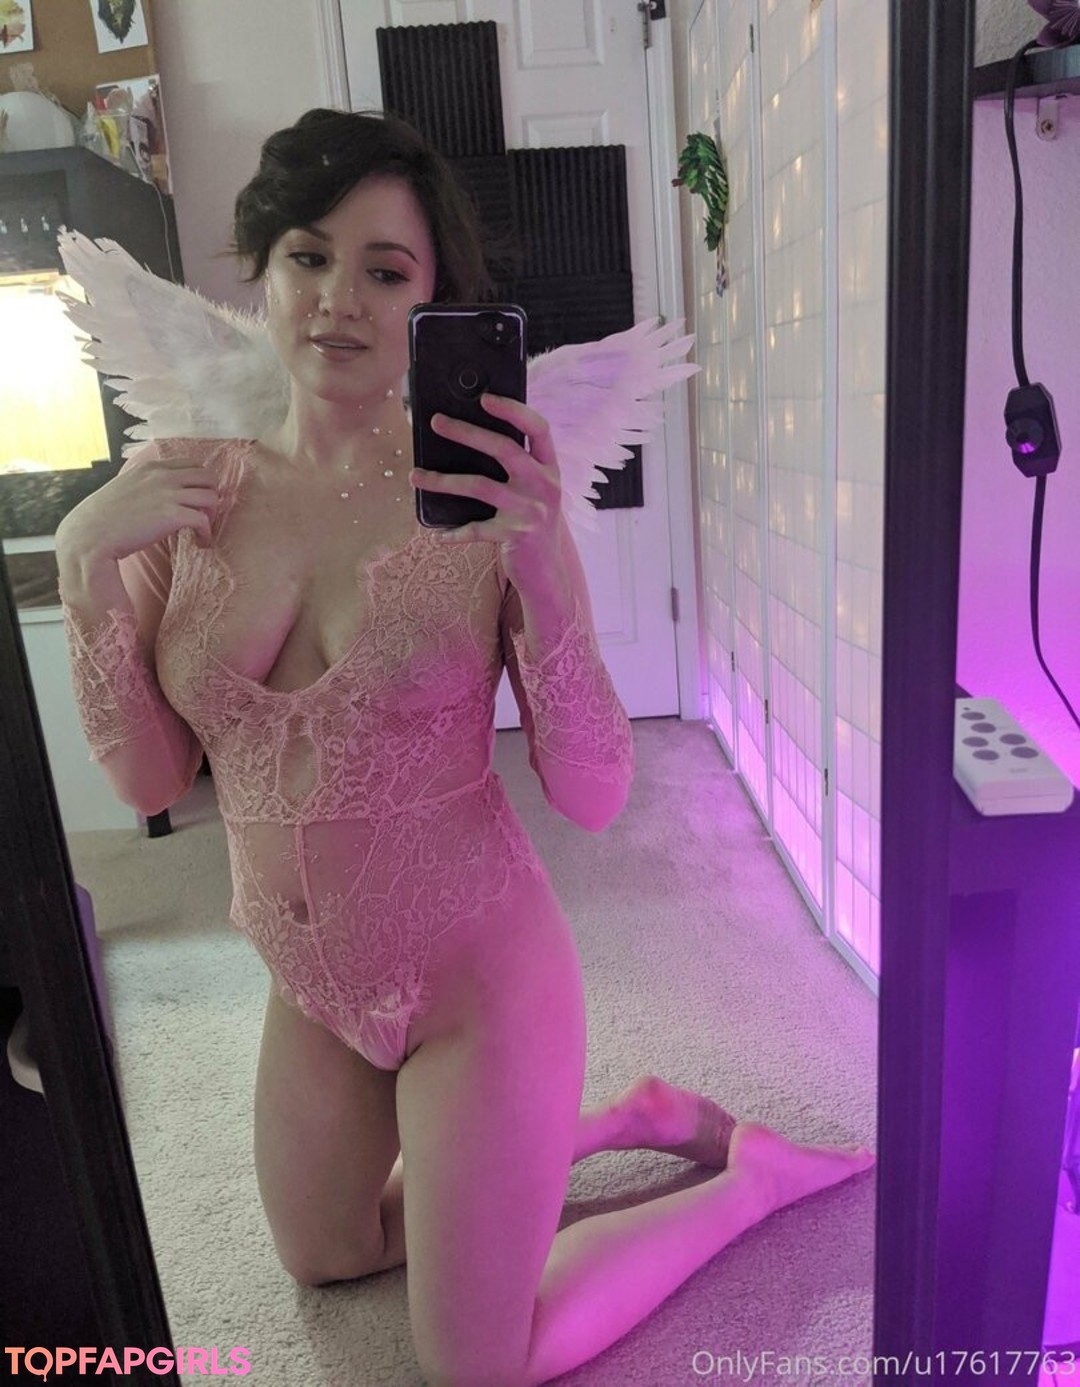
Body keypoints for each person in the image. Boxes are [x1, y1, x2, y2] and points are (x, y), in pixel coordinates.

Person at [56, 108, 875, 1386]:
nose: (339, 298)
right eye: (309, 256)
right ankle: (611, 1124)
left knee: (474, 1365)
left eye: (386, 271)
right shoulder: (188, 492)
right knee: (323, 1255)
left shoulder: (487, 504)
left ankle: (747, 1184)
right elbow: (151, 779)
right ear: (261, 270)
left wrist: (547, 577)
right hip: (310, 984)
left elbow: (594, 794)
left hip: (478, 983)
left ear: (433, 302)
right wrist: (82, 567)